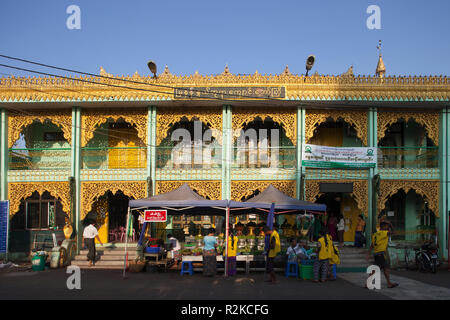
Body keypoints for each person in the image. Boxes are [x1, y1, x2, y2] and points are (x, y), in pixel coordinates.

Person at [366, 222, 399, 289]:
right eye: (386, 227)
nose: (387, 228)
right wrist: (391, 225)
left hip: (378, 254)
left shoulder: (375, 234)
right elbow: (394, 232)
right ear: (383, 227)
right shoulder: (384, 233)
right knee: (375, 269)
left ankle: (389, 283)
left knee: (386, 268)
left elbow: (372, 245)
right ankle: (367, 283)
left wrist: (368, 253)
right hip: (381, 254)